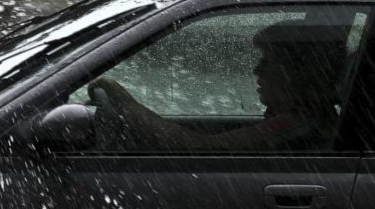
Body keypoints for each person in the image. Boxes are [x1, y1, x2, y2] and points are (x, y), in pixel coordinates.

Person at [88, 21, 347, 151]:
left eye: (267, 61)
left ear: (296, 73)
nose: (256, 70)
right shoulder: (312, 118)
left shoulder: (292, 124)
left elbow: (196, 149)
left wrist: (123, 100)